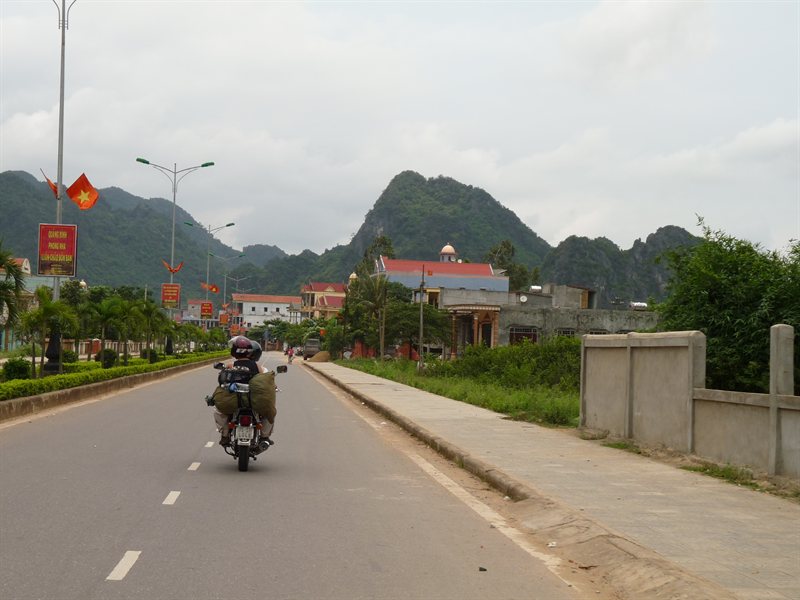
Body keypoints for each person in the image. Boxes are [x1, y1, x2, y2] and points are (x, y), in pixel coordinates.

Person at [213, 336, 274, 446]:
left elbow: (221, 381)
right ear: (250, 353)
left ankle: (225, 436)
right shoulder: (258, 367)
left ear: (234, 352)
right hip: (253, 401)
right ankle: (264, 437)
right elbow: (266, 381)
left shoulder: (231, 365)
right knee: (268, 412)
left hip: (236, 401)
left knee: (219, 411)